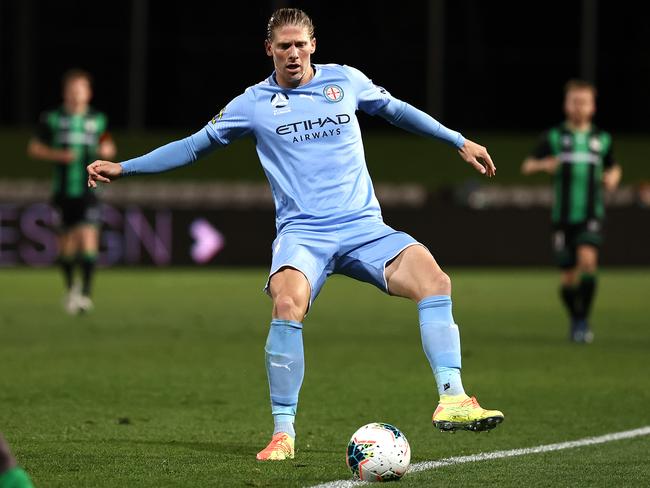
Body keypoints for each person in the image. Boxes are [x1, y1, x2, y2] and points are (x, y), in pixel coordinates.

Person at [87, 8, 504, 461]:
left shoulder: (344, 81)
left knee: (435, 282)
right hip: (304, 234)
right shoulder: (252, 103)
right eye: (283, 45)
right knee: (286, 305)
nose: (293, 53)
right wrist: (124, 167)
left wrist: (457, 140)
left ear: (313, 45)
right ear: (269, 49)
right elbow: (192, 147)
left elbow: (398, 111)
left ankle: (453, 398)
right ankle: (283, 433)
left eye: (300, 44)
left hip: (364, 227)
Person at [522, 80, 621, 343]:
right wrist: (545, 164)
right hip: (563, 217)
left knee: (588, 261)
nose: (579, 107)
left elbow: (613, 167)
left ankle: (582, 321)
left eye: (584, 102)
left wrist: (612, 177)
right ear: (567, 105)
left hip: (591, 213)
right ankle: (576, 317)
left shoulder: (601, 139)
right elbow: (527, 165)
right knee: (568, 278)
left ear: (593, 106)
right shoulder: (554, 137)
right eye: (574, 101)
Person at [27, 69, 116, 314]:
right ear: (66, 93)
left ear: (88, 93)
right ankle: (71, 288)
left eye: (81, 90)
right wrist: (59, 155)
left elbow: (108, 143)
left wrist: (107, 152)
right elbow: (34, 148)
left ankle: (86, 294)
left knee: (88, 237)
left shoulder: (98, 119)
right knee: (65, 247)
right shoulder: (52, 119)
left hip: (90, 190)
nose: (77, 95)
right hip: (62, 191)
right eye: (73, 90)